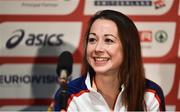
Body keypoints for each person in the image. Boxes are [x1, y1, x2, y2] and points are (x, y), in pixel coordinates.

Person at [53, 9, 166, 111]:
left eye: (108, 40)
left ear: (128, 48)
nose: (97, 48)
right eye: (92, 39)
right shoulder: (69, 95)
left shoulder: (151, 94)